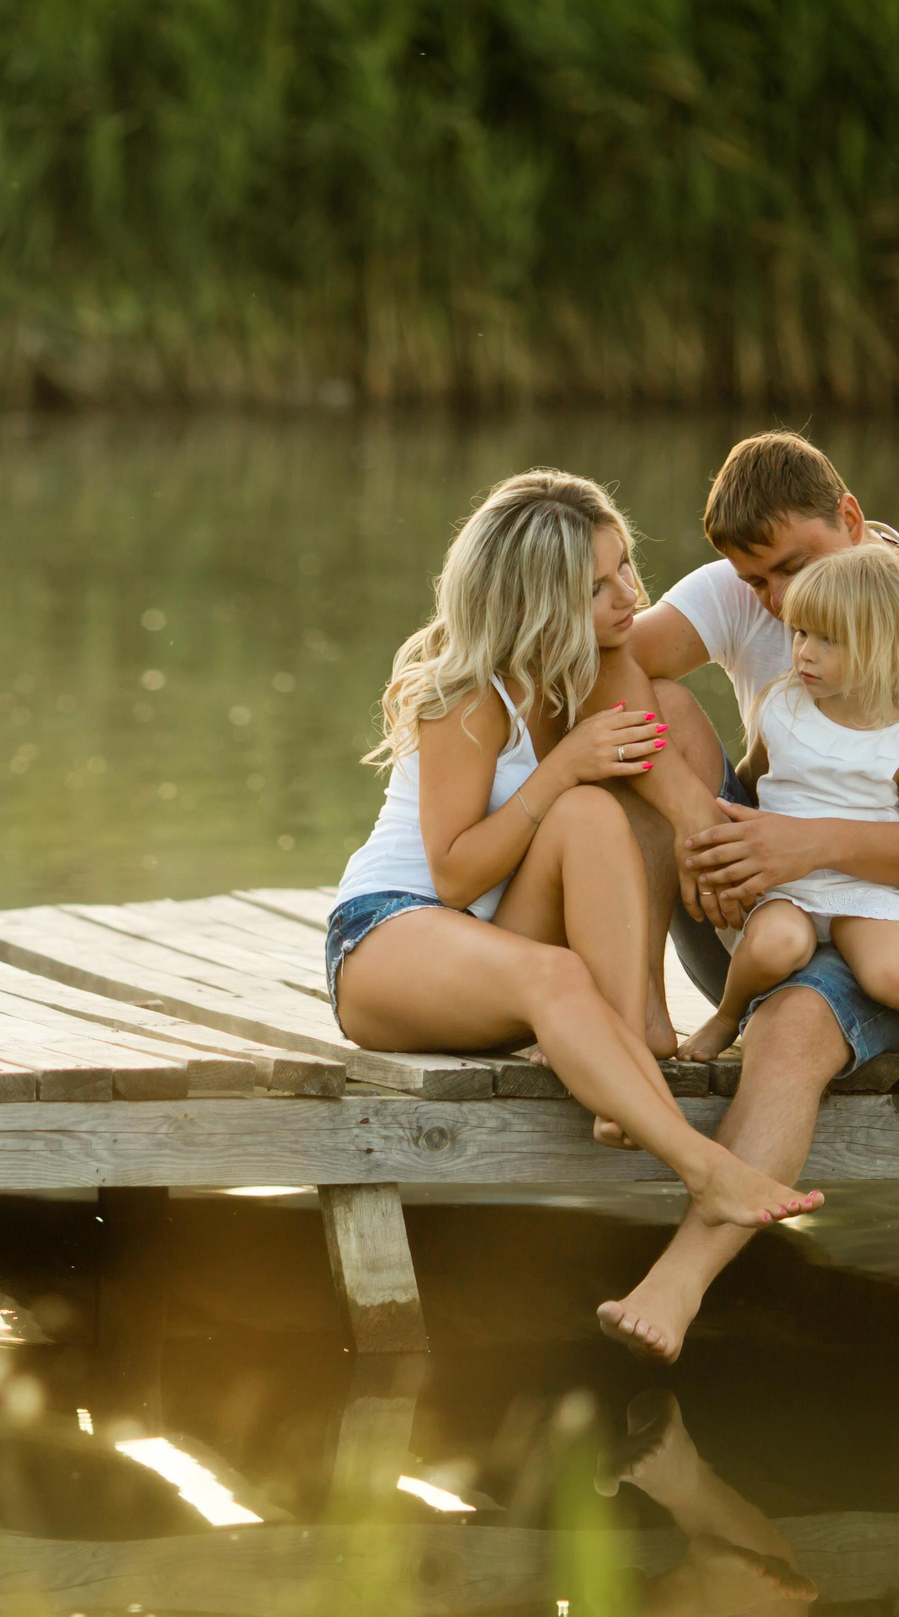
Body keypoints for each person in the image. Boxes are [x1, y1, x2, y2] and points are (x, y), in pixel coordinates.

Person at [586, 433, 899, 1361]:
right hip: (752, 900)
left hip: (894, 934)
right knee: (648, 716)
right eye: (755, 584)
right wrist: (692, 824)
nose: (778, 602)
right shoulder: (744, 586)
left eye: (793, 569)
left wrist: (812, 843)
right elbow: (603, 661)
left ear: (852, 521)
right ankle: (639, 1024)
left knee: (795, 1023)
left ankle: (674, 1289)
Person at [327, 469, 824, 1232]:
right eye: (598, 586)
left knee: (601, 801)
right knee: (557, 955)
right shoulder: (468, 695)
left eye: (624, 565)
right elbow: (454, 876)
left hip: (497, 951)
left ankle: (634, 1031)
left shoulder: (588, 672)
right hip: (393, 935)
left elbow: (644, 752)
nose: (629, 594)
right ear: (536, 603)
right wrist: (563, 765)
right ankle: (706, 1168)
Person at [674, 544, 899, 1075]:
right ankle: (727, 1015)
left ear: (879, 649)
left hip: (870, 895)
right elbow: (753, 781)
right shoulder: (780, 707)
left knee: (888, 972)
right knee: (774, 944)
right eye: (801, 632)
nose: (803, 652)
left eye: (828, 641)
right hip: (791, 887)